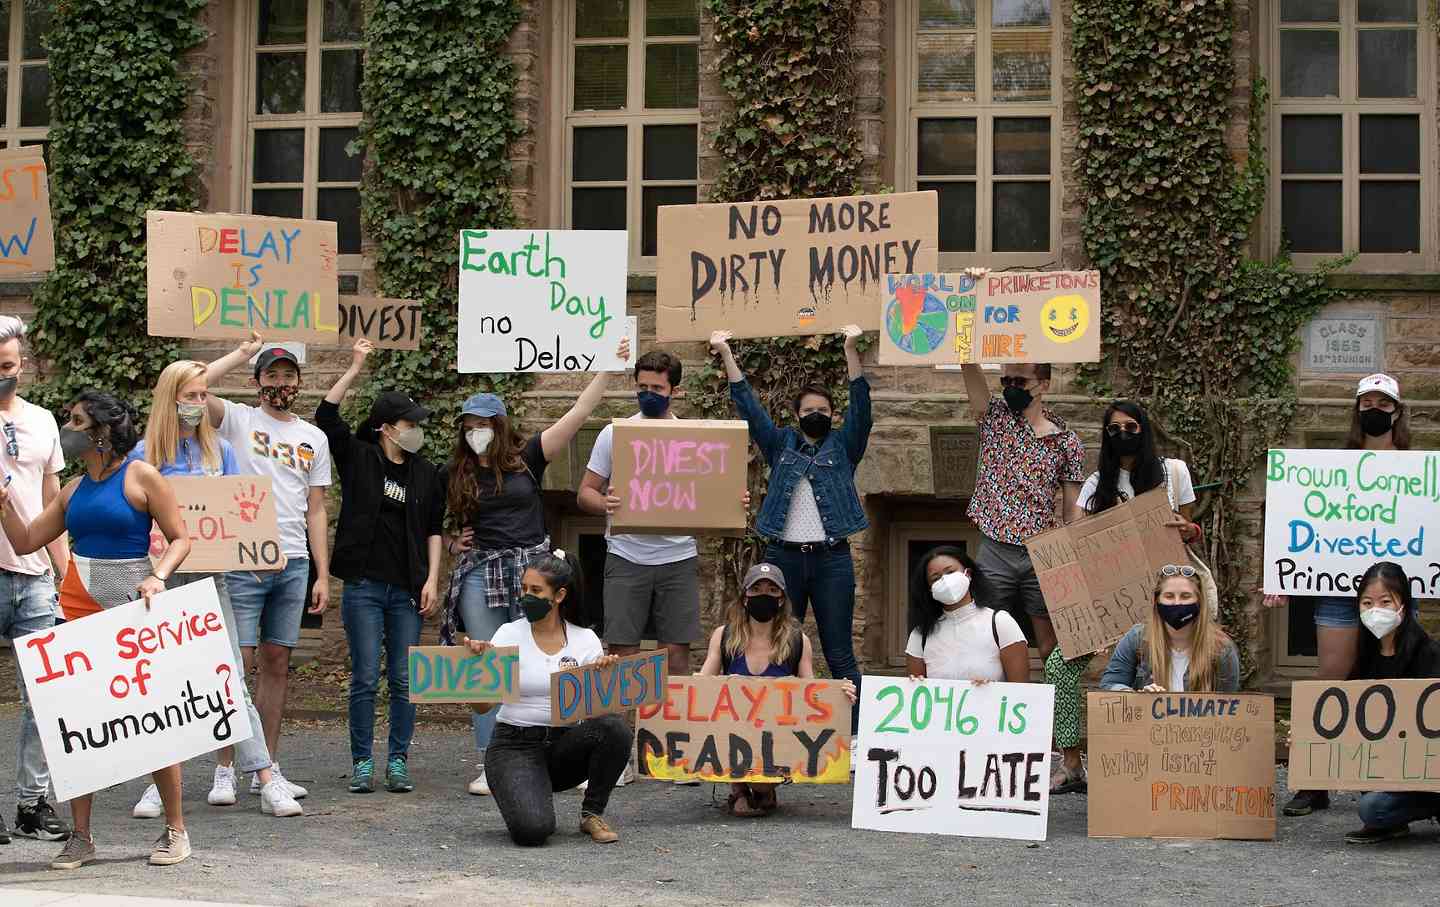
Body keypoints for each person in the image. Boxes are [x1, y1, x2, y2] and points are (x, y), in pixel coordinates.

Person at [0, 391, 194, 868]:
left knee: (153, 722)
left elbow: (181, 539)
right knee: (75, 726)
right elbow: (27, 540)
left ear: (100, 432)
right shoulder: (72, 489)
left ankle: (176, 830)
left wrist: (159, 575)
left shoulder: (140, 475)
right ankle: (82, 836)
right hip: (75, 613)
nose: (68, 426)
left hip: (132, 613)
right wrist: (3, 505)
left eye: (76, 419)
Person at [443, 337, 628, 796]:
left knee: (545, 653)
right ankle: (494, 761)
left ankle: (567, 755)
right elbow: (443, 525)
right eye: (469, 425)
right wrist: (453, 540)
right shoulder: (458, 471)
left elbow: (578, 414)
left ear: (499, 425)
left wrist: (607, 367)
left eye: (483, 424)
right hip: (481, 572)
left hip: (530, 572)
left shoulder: (528, 458)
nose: (475, 431)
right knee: (486, 661)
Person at [129, 360, 302, 819]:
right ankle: (158, 784)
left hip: (212, 578)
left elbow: (237, 516)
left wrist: (264, 550)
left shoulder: (219, 452)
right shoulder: (144, 455)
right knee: (166, 682)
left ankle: (264, 777)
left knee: (229, 677)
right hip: (160, 580)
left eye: (204, 395)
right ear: (170, 399)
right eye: (191, 396)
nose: (199, 404)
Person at [1263, 373, 1413, 817]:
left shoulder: (1420, 471)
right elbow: (1295, 522)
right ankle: (1314, 782)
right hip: (1338, 591)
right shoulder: (1330, 468)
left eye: (1383, 404)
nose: (1375, 410)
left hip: (1396, 594)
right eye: (1367, 402)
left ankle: (1397, 781)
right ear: (1356, 410)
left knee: (1398, 683)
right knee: (1330, 679)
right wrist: (1281, 576)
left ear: (1397, 412)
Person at [709, 325, 870, 732]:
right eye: (807, 410)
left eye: (823, 410)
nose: (815, 415)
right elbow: (748, 405)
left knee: (839, 653)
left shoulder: (843, 446)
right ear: (796, 416)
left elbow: (862, 409)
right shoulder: (780, 444)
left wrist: (851, 349)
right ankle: (783, 731)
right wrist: (726, 353)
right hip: (782, 561)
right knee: (781, 646)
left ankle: (857, 736)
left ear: (832, 415)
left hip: (831, 559)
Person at [1045, 401, 1199, 794]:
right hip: (1111, 602)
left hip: (1171, 600)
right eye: (1114, 428)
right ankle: (1072, 760)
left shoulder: (1173, 472)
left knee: (1169, 671)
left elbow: (1191, 528)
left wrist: (1189, 530)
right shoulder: (1099, 482)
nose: (1123, 434)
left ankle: (1179, 763)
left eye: (1130, 426)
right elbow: (1076, 539)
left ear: (1144, 429)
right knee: (1059, 665)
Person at [203, 334, 331, 801]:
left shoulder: (312, 437)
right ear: (257, 381)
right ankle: (225, 767)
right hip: (242, 556)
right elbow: (191, 387)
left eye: (289, 375)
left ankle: (269, 769)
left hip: (294, 561)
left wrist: (322, 572)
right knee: (237, 664)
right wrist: (239, 352)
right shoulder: (237, 419)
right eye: (272, 374)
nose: (281, 383)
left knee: (277, 663)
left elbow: (316, 508)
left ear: (300, 381)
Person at [318, 339, 447, 794]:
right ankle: (362, 764)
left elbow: (435, 527)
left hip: (407, 589)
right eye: (409, 424)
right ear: (387, 429)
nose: (416, 431)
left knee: (405, 678)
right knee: (365, 676)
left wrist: (432, 578)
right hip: (365, 587)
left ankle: (397, 760)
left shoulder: (426, 473)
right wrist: (355, 366)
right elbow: (327, 418)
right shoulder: (359, 457)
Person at [463, 549, 631, 846]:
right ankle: (522, 789)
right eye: (524, 588)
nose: (526, 596)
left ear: (559, 596)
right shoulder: (507, 634)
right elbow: (483, 706)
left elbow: (600, 714)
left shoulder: (585, 640)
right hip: (514, 746)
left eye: (536, 590)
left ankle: (592, 813)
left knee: (615, 727)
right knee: (533, 831)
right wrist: (476, 667)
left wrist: (605, 678)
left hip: (563, 745)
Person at [700, 562, 856, 816]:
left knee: (760, 784)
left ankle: (764, 789)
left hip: (775, 734)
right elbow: (703, 683)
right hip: (733, 727)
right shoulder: (724, 635)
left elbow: (811, 690)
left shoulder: (797, 640)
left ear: (782, 599)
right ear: (745, 597)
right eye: (757, 589)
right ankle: (737, 789)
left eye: (772, 591)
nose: (764, 595)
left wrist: (838, 694)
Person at [960, 359, 1085, 672]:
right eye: (1006, 382)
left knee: (1049, 644)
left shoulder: (1066, 441)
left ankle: (1056, 708)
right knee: (986, 634)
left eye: (1020, 382)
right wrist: (964, 350)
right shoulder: (995, 419)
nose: (1011, 389)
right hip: (995, 546)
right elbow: (973, 382)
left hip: (1041, 550)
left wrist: (1076, 550)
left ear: (1043, 384)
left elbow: (1072, 508)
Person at [0, 315, 71, 845]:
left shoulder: (44, 421)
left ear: (22, 366)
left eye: (7, 366)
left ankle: (32, 803)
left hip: (35, 575)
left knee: (43, 695)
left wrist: (64, 571)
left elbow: (53, 501)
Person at [1340, 562, 1440, 844]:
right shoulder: (1365, 656)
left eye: (1386, 602)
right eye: (1367, 603)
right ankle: (1400, 817)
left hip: (1427, 770)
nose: (1376, 610)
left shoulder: (1429, 654)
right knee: (1372, 807)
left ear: (1403, 605)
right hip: (1388, 769)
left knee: (1373, 808)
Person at [1101, 565, 1240, 693]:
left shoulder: (1221, 649)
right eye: (1169, 596)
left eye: (1185, 596)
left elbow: (1229, 705)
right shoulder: (1137, 639)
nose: (1177, 603)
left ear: (1199, 602)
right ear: (1157, 601)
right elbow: (1110, 684)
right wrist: (1137, 697)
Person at [906, 546, 1029, 684]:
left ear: (968, 574)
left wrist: (992, 690)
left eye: (950, 572)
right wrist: (916, 685)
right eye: (936, 578)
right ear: (929, 589)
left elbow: (1021, 692)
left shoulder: (1000, 622)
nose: (945, 581)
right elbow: (916, 697)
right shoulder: (920, 635)